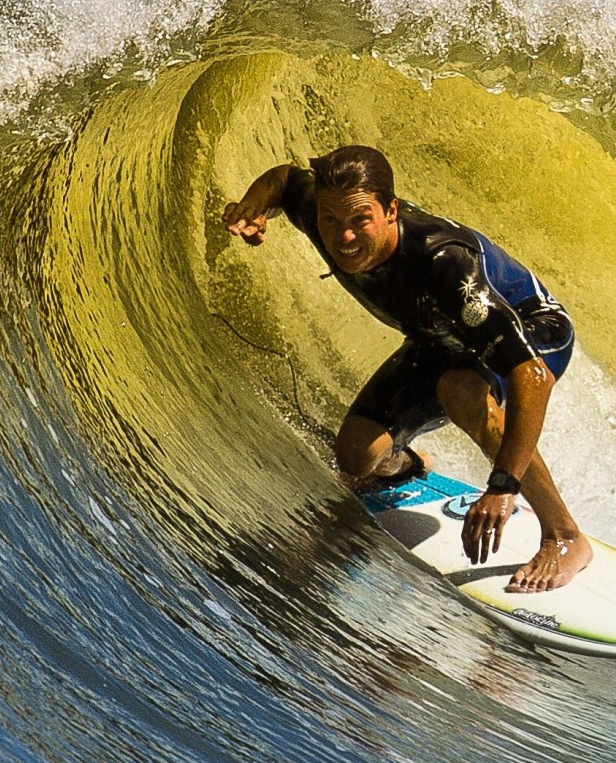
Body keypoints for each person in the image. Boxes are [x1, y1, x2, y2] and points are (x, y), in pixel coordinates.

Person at [222, 146, 593, 593]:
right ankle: (408, 464)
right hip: (440, 337)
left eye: (361, 220)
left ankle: (564, 535)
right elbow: (283, 179)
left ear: (391, 210)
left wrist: (502, 486)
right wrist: (254, 206)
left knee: (460, 390)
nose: (344, 238)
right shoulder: (324, 208)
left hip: (533, 330)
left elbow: (531, 374)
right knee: (357, 456)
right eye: (331, 221)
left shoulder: (447, 266)